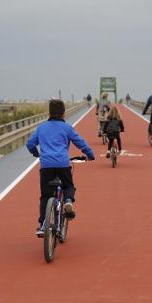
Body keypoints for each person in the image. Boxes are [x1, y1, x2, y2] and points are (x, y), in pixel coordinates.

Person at [26, 99, 95, 237]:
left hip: (46, 166)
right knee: (68, 186)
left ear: (49, 112)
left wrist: (36, 153)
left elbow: (30, 144)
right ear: (63, 113)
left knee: (46, 196)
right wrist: (90, 154)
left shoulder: (41, 128)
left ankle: (43, 225)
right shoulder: (67, 128)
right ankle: (68, 201)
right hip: (63, 164)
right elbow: (80, 142)